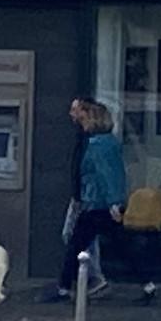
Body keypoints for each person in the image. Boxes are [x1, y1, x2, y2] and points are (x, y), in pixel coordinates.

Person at [54, 100, 156, 304]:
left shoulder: (96, 145)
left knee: (76, 244)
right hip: (101, 204)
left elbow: (104, 175)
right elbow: (114, 175)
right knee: (122, 245)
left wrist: (113, 202)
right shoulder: (108, 142)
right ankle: (147, 283)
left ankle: (64, 288)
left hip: (95, 204)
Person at [64, 96, 103, 291]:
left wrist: (83, 195)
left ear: (84, 113)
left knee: (74, 235)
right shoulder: (84, 136)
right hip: (82, 194)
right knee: (84, 237)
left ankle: (92, 277)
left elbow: (89, 169)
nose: (71, 114)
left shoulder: (89, 138)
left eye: (75, 110)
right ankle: (90, 276)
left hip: (86, 197)